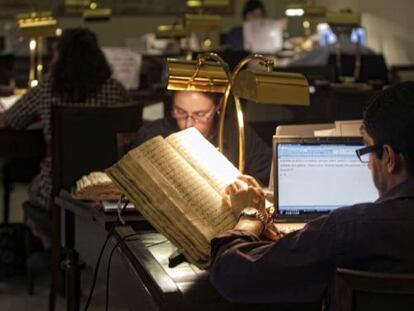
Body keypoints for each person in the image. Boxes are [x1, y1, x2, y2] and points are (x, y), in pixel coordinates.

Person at [209, 81, 414, 309]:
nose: (368, 166)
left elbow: (232, 275)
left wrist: (250, 216)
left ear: (389, 157)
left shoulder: (349, 228)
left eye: (366, 149)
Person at [0, 27, 130, 215]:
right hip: (105, 188)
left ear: (60, 56)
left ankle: (46, 241)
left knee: (32, 185)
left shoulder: (48, 88)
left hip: (56, 188)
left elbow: (12, 119)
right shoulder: (116, 90)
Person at [133, 90, 271, 185]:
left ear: (218, 105)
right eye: (180, 112)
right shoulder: (152, 135)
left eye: (200, 114)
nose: (189, 124)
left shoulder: (239, 134)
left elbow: (265, 175)